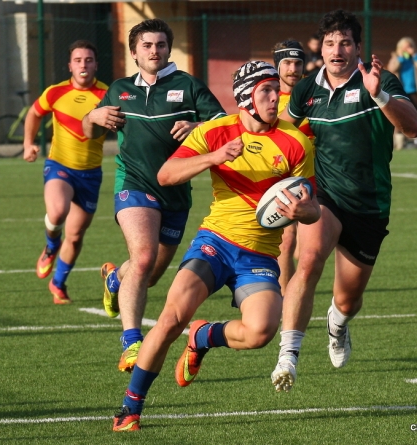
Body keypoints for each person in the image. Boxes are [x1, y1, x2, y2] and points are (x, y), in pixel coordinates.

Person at [111, 61, 320, 432]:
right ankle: (130, 407)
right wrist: (214, 157)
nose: (276, 98)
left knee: (260, 332)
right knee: (171, 319)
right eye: (266, 92)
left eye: (276, 90)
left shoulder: (296, 142)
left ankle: (204, 335)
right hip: (215, 243)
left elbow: (313, 206)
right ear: (246, 97)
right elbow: (166, 174)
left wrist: (305, 211)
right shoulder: (215, 132)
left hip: (258, 255)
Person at [271, 9, 417, 392]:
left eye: (345, 43)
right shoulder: (306, 90)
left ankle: (337, 324)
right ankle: (287, 357)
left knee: (348, 299)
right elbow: (282, 134)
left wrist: (380, 95)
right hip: (326, 197)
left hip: (369, 204)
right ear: (320, 48)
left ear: (357, 48)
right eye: (329, 43)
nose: (336, 50)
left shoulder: (380, 80)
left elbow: (414, 127)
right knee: (307, 260)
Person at [82, 18, 226, 373]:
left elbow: (225, 126)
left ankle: (115, 279)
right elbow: (87, 130)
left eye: (160, 45)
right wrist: (94, 115)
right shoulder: (119, 89)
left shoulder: (188, 86)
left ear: (168, 49)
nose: (154, 51)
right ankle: (132, 343)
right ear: (134, 52)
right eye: (146, 45)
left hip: (176, 191)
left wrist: (197, 126)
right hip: (133, 183)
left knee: (149, 274)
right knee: (143, 257)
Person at [24, 40, 108, 304]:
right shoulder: (56, 92)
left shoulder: (108, 95)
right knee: (57, 211)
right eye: (78, 60)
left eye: (88, 60)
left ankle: (58, 284)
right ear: (70, 65)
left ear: (96, 64)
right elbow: (34, 113)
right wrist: (29, 143)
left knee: (75, 235)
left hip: (91, 173)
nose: (83, 64)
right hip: (59, 166)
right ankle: (50, 246)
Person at [272, 39, 312, 295]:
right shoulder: (268, 94)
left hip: (318, 174)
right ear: (277, 65)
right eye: (287, 62)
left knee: (307, 250)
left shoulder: (314, 91)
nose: (293, 69)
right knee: (285, 243)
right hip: (282, 176)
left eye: (298, 63)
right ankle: (285, 302)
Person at [387, 37, 417, 149]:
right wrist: (399, 57)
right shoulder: (397, 57)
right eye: (405, 46)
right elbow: (392, 68)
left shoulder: (414, 57)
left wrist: (414, 54)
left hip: (414, 91)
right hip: (401, 91)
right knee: (400, 115)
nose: (408, 49)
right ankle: (400, 142)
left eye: (409, 46)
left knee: (416, 115)